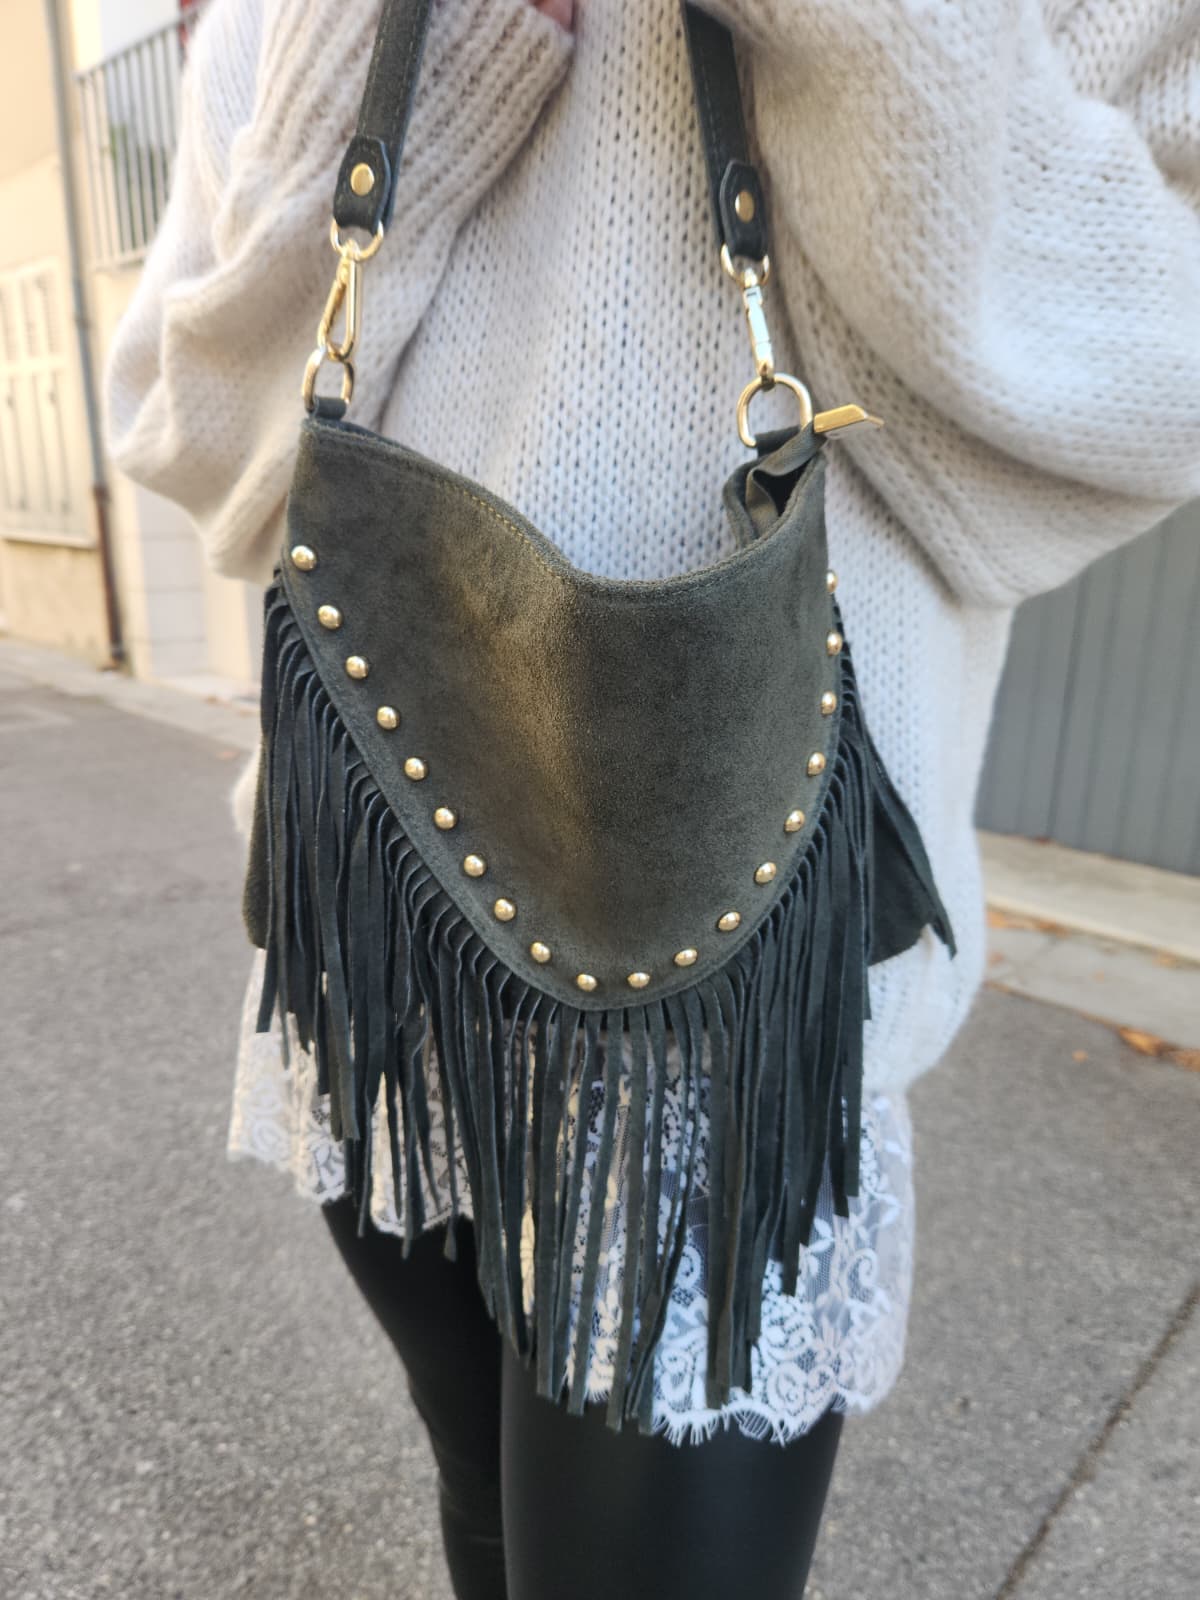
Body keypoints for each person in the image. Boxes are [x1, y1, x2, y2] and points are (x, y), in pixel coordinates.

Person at [104, 0, 1200, 1595]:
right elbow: (207, 448)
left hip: (720, 1018)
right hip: (388, 941)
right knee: (480, 1493)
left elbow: (1144, 388)